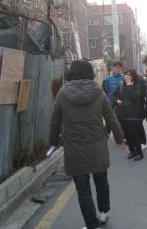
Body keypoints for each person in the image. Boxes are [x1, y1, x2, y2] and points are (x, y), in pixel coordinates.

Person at [49, 60, 125, 229]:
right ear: (90, 73)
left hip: (74, 148)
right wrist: (120, 139)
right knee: (101, 181)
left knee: (83, 189)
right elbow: (111, 118)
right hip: (97, 145)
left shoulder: (62, 93)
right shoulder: (98, 92)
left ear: (72, 73)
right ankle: (104, 213)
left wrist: (53, 143)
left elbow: (55, 122)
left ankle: (92, 225)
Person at [116, 69, 144, 161]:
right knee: (127, 134)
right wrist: (118, 101)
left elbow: (135, 97)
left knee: (133, 133)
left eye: (129, 75)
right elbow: (119, 96)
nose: (126, 76)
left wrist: (129, 86)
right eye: (125, 75)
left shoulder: (136, 86)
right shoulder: (122, 86)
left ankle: (139, 152)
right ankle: (132, 151)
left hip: (133, 114)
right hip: (123, 113)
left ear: (133, 76)